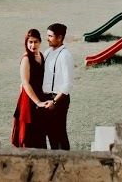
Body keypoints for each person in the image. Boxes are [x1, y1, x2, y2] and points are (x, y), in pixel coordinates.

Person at [11, 28, 49, 148]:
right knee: (28, 133)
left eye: (36, 42)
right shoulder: (26, 59)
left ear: (40, 42)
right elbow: (26, 83)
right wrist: (38, 102)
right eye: (30, 42)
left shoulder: (41, 56)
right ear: (26, 43)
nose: (33, 45)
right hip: (29, 100)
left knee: (39, 131)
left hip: (40, 96)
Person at [42, 22, 74, 150]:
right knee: (50, 132)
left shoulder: (65, 55)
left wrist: (54, 102)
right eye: (47, 35)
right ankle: (55, 160)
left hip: (58, 99)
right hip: (46, 97)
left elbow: (68, 84)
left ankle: (66, 162)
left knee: (59, 132)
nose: (47, 38)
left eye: (50, 36)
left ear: (59, 38)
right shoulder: (48, 52)